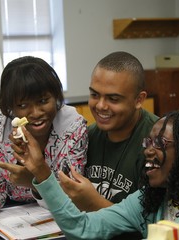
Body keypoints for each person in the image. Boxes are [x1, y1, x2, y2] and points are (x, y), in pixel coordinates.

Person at [14, 108, 179, 240]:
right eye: (147, 142)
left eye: (159, 143)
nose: (148, 150)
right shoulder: (152, 197)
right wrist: (42, 172)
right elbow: (82, 227)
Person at [0, 56, 88, 217]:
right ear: (10, 106)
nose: (36, 113)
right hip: (11, 217)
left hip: (61, 215)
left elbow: (75, 196)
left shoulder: (74, 127)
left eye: (43, 101)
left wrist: (35, 181)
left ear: (56, 96)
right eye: (22, 105)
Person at [59, 51, 159, 213]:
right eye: (94, 95)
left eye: (113, 99)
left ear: (139, 100)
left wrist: (93, 202)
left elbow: (151, 224)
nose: (100, 106)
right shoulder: (84, 137)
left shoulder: (158, 144)